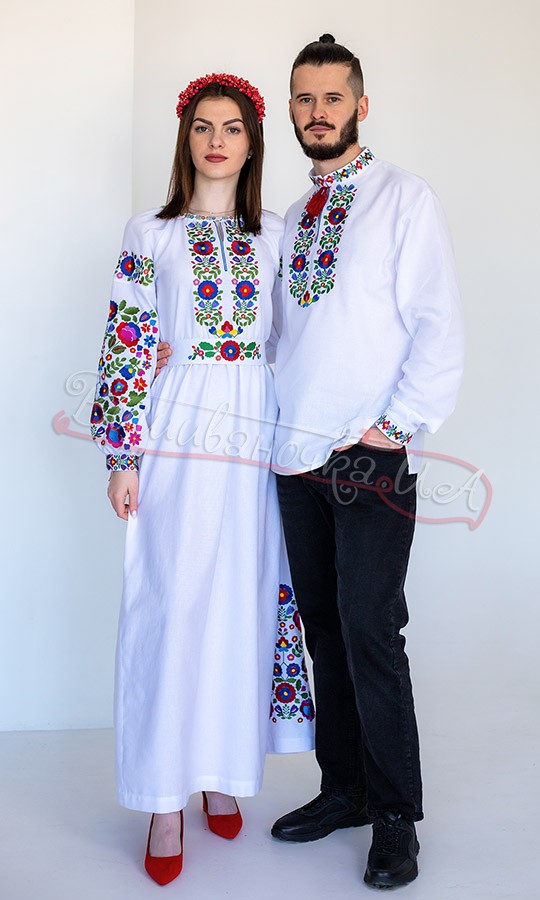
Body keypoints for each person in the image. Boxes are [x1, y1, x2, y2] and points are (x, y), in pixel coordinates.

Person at [91, 72, 313, 886]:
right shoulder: (150, 233)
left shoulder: (278, 235)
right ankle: (162, 799)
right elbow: (126, 340)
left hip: (256, 432)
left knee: (242, 601)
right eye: (202, 127)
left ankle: (222, 768)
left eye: (233, 128)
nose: (217, 141)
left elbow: (303, 339)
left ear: (253, 144)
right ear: (185, 140)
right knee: (172, 601)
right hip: (179, 430)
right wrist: (123, 454)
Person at [268, 35, 465, 889]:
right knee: (323, 630)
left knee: (371, 633)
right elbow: (281, 337)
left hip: (367, 455)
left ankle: (394, 816)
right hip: (294, 455)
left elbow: (438, 325)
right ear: (291, 109)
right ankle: (343, 788)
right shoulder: (294, 216)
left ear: (361, 105)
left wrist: (397, 425)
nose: (319, 113)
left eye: (333, 98)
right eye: (305, 98)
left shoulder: (402, 199)